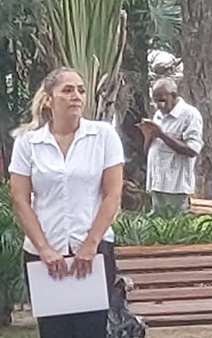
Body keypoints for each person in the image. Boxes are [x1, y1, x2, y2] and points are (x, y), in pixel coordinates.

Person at [9, 67, 125, 338]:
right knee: (54, 331)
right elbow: (20, 199)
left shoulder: (104, 136)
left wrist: (90, 245)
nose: (76, 96)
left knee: (91, 330)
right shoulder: (28, 143)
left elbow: (112, 194)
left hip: (93, 253)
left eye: (81, 90)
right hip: (44, 256)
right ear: (49, 98)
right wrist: (45, 249)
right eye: (68, 90)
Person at [136, 78, 203, 216]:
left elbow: (192, 150)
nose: (158, 105)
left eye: (162, 100)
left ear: (173, 96)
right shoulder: (159, 115)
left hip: (176, 187)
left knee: (174, 230)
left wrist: (161, 134)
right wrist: (148, 135)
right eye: (155, 101)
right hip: (156, 183)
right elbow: (151, 149)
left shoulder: (190, 114)